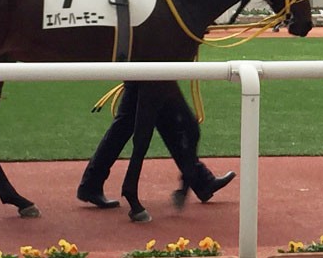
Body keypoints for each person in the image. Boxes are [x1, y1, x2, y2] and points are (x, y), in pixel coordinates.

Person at [76, 81, 236, 209]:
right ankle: (200, 179)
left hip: (143, 65)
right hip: (147, 63)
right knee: (170, 119)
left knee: (134, 120)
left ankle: (92, 183)